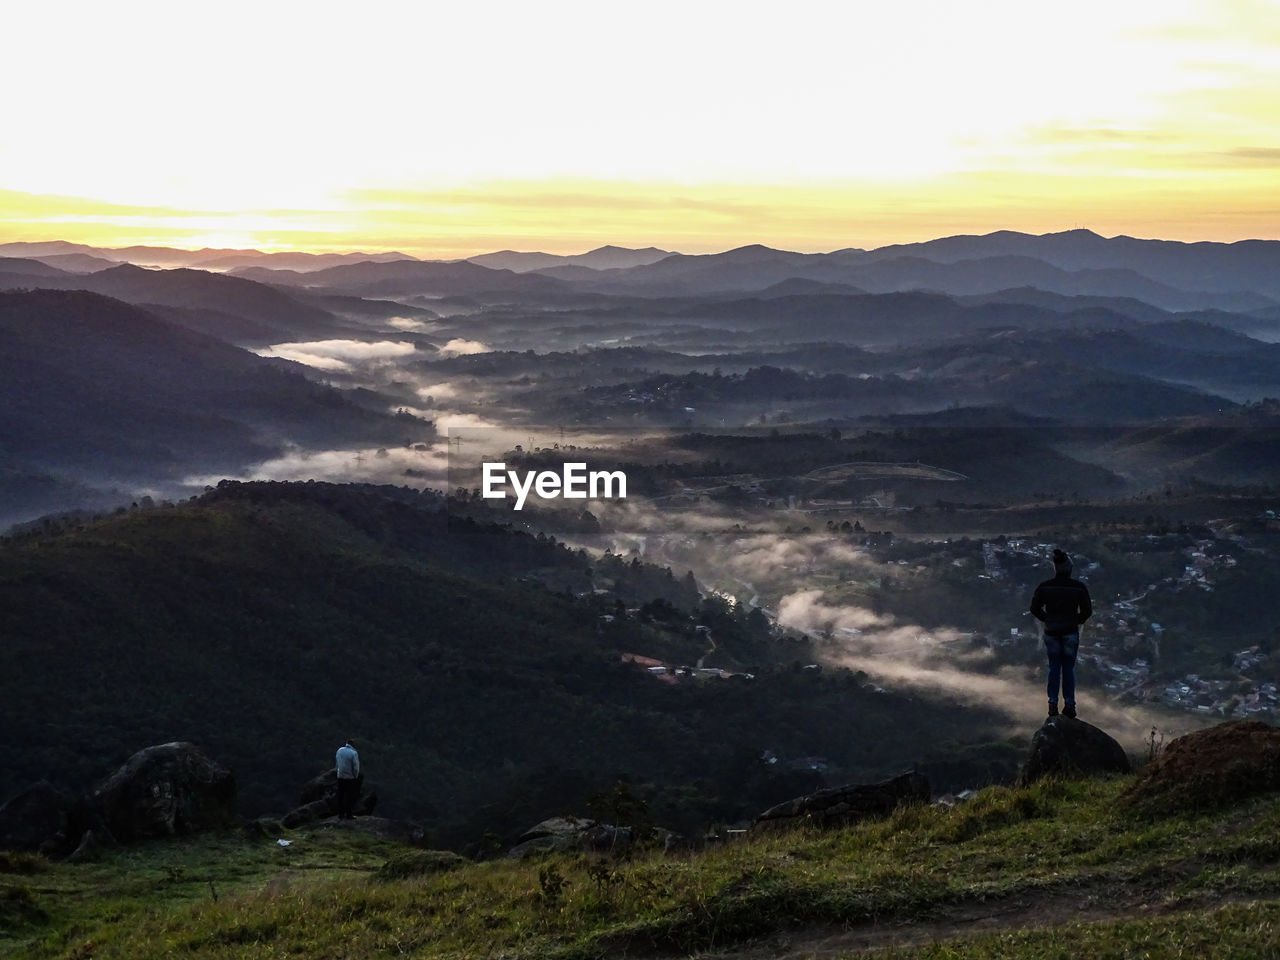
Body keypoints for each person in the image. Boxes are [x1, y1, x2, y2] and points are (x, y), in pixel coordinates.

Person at [1029, 549, 1092, 719]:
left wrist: (1047, 619)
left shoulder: (1045, 587)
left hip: (1051, 632)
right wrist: (1076, 621)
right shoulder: (1078, 588)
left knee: (1054, 668)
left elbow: (1034, 608)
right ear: (1069, 569)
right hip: (1070, 632)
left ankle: (1052, 704)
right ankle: (1070, 704)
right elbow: (1087, 610)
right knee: (1068, 669)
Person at [335, 739, 360, 819]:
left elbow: (337, 763)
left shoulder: (339, 750)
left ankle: (340, 814)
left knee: (341, 795)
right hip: (350, 778)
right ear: (353, 745)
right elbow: (355, 767)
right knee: (350, 797)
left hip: (340, 776)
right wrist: (355, 776)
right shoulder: (354, 753)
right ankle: (349, 814)